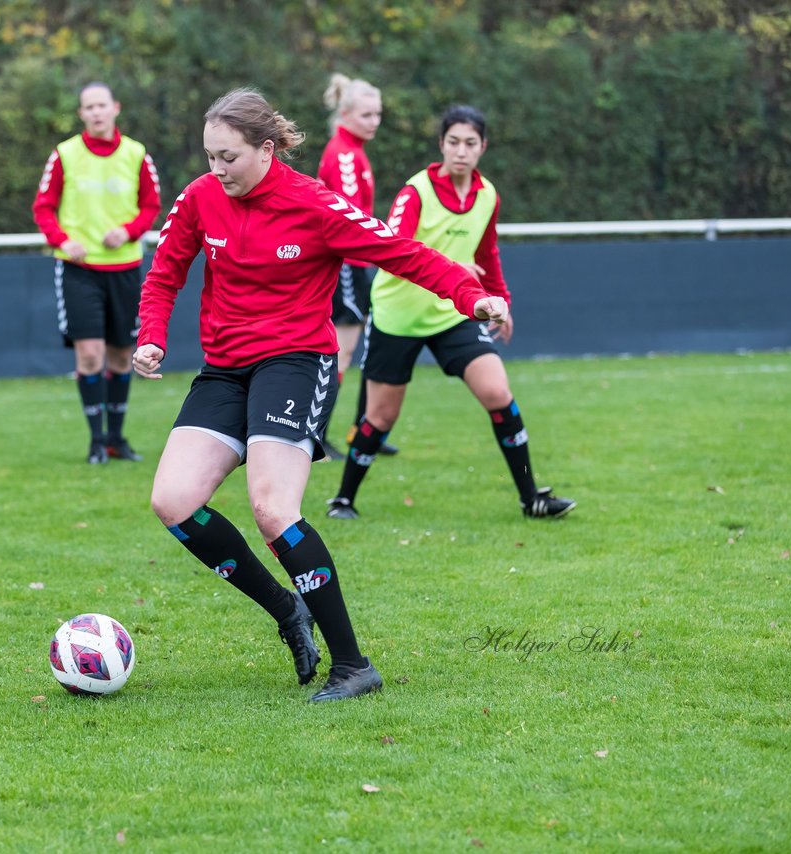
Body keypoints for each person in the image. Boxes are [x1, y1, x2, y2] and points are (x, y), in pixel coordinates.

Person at [132, 89, 508, 702]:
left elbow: (406, 253)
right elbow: (166, 270)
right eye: (209, 156)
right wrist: (151, 337)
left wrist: (474, 298)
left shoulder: (316, 204)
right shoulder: (201, 197)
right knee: (173, 502)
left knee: (273, 508)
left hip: (296, 363)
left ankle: (353, 665)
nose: (215, 169)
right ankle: (287, 610)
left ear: (267, 149)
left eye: (227, 157)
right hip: (225, 369)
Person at [326, 105, 576, 522]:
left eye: (470, 143)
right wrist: (454, 267)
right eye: (454, 142)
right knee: (381, 416)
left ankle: (531, 497)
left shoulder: (488, 196)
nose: (461, 151)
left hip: (454, 313)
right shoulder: (416, 191)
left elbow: (486, 253)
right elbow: (392, 253)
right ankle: (343, 500)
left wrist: (500, 301)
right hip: (399, 317)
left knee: (498, 393)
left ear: (483, 147)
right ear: (441, 144)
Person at [33, 81, 162, 464]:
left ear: (115, 108)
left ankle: (116, 440)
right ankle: (96, 441)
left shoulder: (137, 154)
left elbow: (151, 205)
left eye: (102, 105)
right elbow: (43, 206)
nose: (96, 112)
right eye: (89, 107)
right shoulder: (64, 154)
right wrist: (61, 239)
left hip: (124, 268)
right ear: (82, 114)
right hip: (79, 270)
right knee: (89, 355)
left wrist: (127, 231)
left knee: (123, 356)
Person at [313, 73, 396, 460]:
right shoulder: (344, 153)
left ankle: (364, 430)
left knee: (359, 348)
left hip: (359, 263)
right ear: (345, 113)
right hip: (347, 263)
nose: (374, 121)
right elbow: (347, 217)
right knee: (340, 353)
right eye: (366, 114)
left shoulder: (354, 150)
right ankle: (318, 438)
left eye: (378, 114)